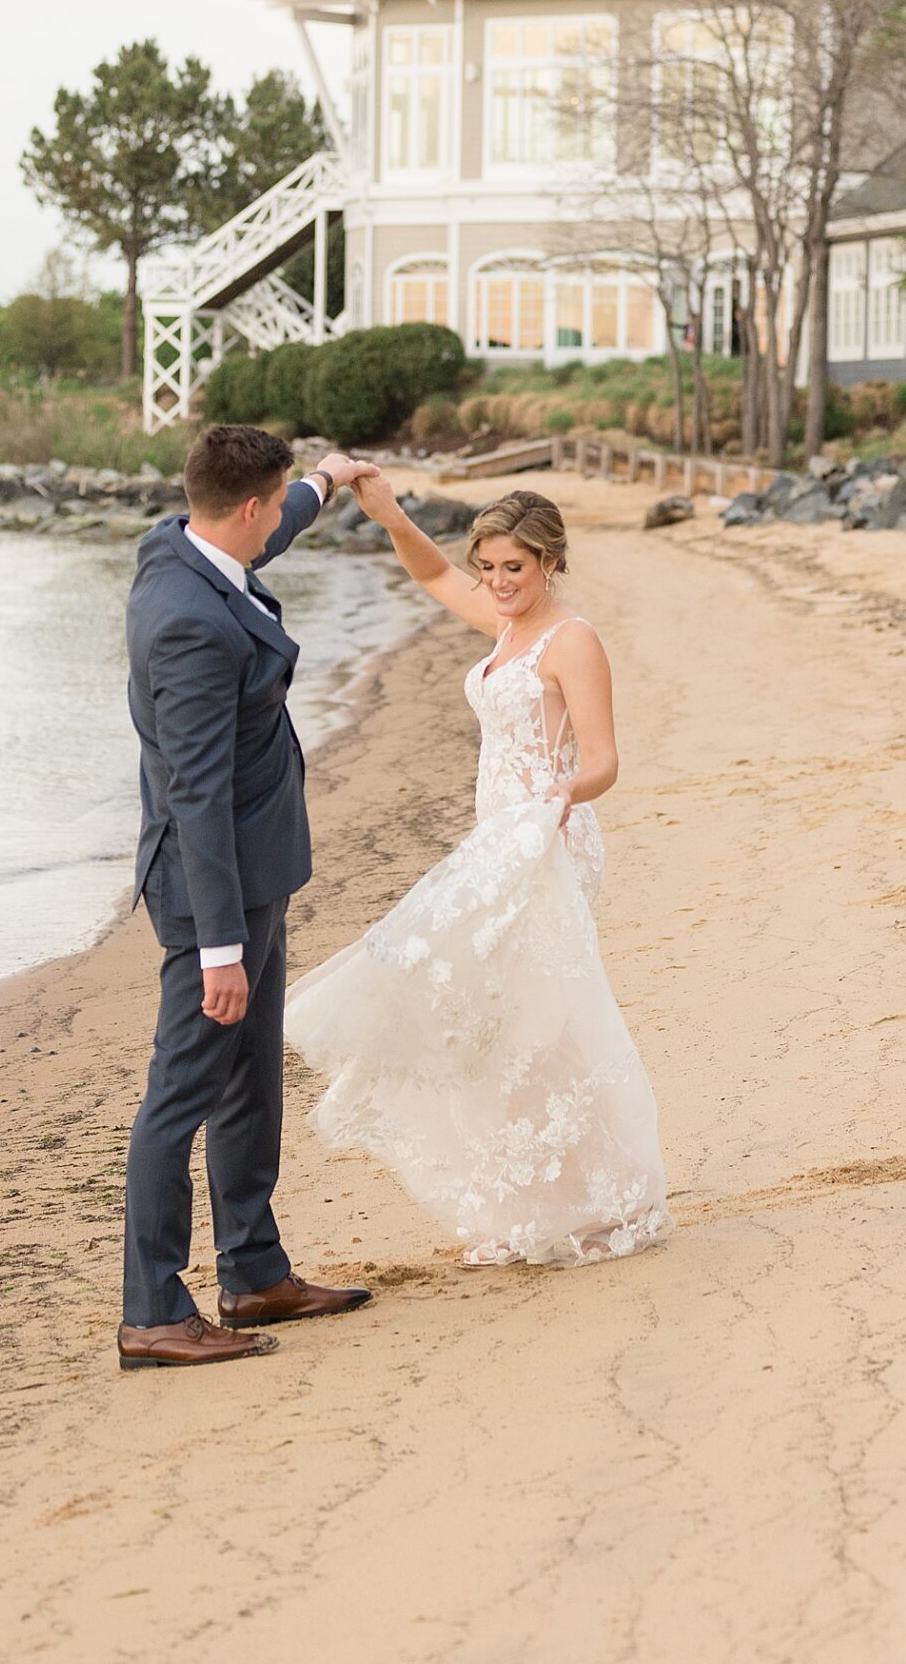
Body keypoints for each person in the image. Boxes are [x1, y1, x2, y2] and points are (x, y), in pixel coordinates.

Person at [284, 484, 671, 1268]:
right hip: (495, 846)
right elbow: (432, 578)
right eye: (488, 567)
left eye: (514, 567)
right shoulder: (503, 627)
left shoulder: (570, 642)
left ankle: (595, 1200)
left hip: (546, 845)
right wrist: (388, 512)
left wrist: (558, 798)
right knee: (499, 1026)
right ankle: (533, 1205)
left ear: (550, 562)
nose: (496, 581)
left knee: (535, 1023)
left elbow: (602, 761)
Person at [118, 423, 382, 1369]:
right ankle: (152, 1310)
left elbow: (264, 534)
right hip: (208, 893)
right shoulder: (188, 622)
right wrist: (220, 948)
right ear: (244, 506)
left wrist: (323, 481)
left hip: (252, 873)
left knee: (247, 1084)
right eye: (274, 504)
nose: (274, 522)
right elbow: (193, 791)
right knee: (179, 1097)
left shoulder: (180, 545)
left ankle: (253, 1276)